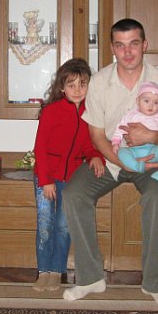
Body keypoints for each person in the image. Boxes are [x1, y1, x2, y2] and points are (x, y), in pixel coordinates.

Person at [62, 18, 158, 308]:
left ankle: (154, 283)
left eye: (134, 44)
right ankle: (90, 278)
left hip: (151, 159)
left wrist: (153, 136)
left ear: (145, 45)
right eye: (120, 45)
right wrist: (121, 161)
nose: (127, 52)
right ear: (112, 48)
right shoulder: (99, 82)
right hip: (112, 157)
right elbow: (96, 134)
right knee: (74, 193)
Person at [32, 58, 106, 292]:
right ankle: (43, 271)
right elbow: (40, 148)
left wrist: (95, 156)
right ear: (62, 88)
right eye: (71, 85)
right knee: (46, 224)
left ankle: (57, 271)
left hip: (72, 179)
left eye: (82, 84)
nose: (77, 90)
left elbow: (89, 145)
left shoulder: (90, 114)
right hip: (46, 176)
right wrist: (46, 181)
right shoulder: (51, 111)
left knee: (64, 226)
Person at [111, 81, 158, 181]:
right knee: (122, 152)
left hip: (153, 150)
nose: (151, 105)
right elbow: (120, 128)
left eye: (156, 102)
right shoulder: (130, 114)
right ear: (137, 101)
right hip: (134, 150)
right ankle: (136, 166)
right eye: (146, 101)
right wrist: (116, 142)